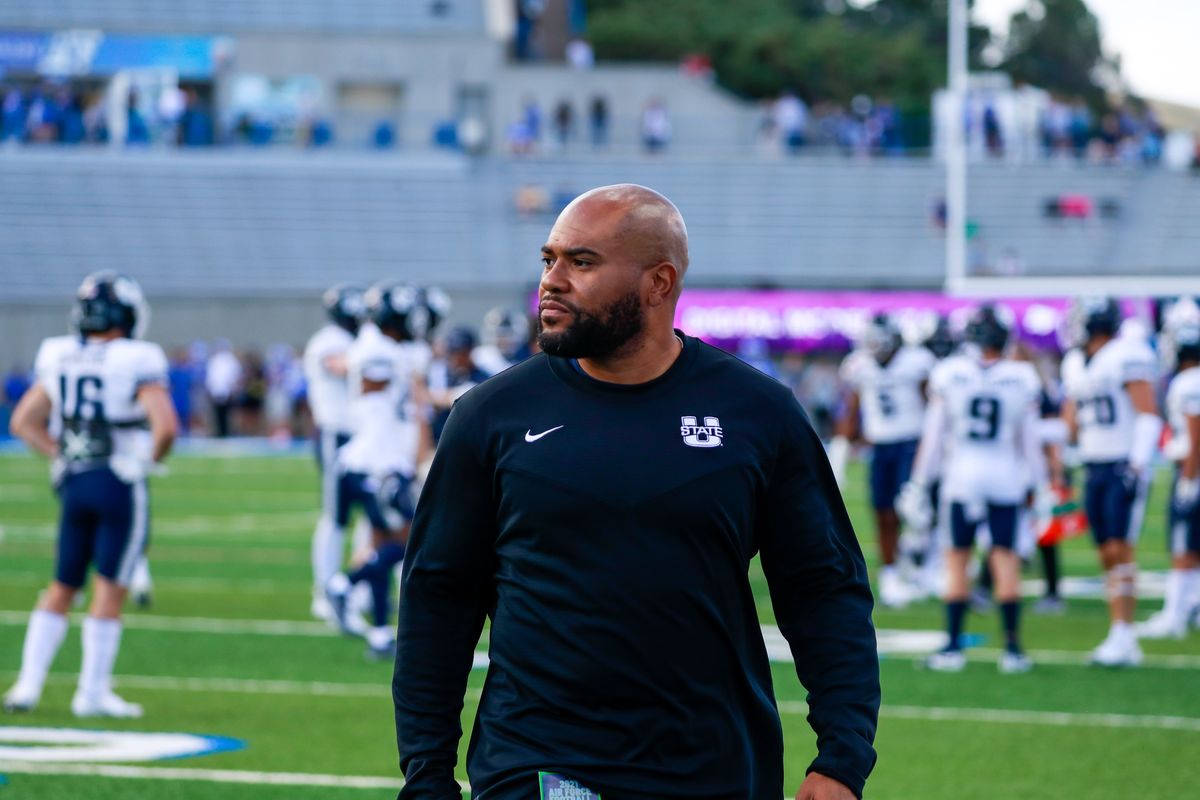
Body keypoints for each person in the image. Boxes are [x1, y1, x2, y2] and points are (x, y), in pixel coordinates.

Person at [393, 184, 879, 800]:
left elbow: (824, 589)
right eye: (549, 260)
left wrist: (842, 756)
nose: (552, 280)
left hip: (715, 765)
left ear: (659, 283)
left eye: (582, 262)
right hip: (540, 764)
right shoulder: (490, 416)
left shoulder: (758, 413)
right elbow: (439, 597)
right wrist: (427, 774)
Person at [3, 272, 178, 717]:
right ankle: (91, 692)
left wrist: (57, 456)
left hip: (76, 481)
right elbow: (167, 426)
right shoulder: (137, 357)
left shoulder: (59, 354)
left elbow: (23, 421)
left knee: (61, 585)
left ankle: (27, 685)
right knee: (109, 590)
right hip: (118, 482)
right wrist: (147, 460)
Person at [899, 306, 1045, 673]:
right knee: (1005, 559)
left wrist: (919, 482)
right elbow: (1029, 441)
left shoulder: (951, 373)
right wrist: (1041, 486)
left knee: (956, 559)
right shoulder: (1021, 376)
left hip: (962, 477)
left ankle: (952, 648)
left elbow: (933, 437)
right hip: (1004, 477)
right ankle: (1013, 649)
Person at [324, 282, 425, 659]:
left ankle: (381, 633)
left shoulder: (381, 347)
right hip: (376, 463)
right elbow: (372, 385)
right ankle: (344, 584)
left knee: (385, 543)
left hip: (376, 459)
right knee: (411, 538)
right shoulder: (376, 351)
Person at [1061, 297, 1161, 667]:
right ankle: (1119, 631)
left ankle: (1124, 633)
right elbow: (1072, 418)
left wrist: (1136, 465)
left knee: (1122, 548)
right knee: (1105, 549)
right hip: (1094, 464)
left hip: (1121, 463)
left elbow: (1149, 414)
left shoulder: (1126, 354)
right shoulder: (1076, 362)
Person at [831, 314, 936, 607]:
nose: (875, 348)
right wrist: (839, 455)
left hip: (912, 442)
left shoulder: (917, 361)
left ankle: (920, 564)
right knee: (883, 513)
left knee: (912, 507)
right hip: (880, 445)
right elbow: (850, 411)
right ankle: (892, 577)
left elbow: (933, 406)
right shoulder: (859, 366)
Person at [1138, 305, 1200, 639]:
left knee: (1183, 548)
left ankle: (1174, 616)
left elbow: (1195, 435)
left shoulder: (1188, 383)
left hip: (1193, 474)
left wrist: (1189, 479)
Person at [304, 284, 365, 622]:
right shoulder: (330, 341)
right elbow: (342, 366)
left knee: (370, 517)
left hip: (361, 438)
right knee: (336, 517)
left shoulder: (354, 342)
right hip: (336, 435)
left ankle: (356, 587)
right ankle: (324, 590)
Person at [472, 307, 533, 375]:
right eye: (500, 335)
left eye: (509, 335)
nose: (504, 340)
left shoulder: (527, 357)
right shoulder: (480, 357)